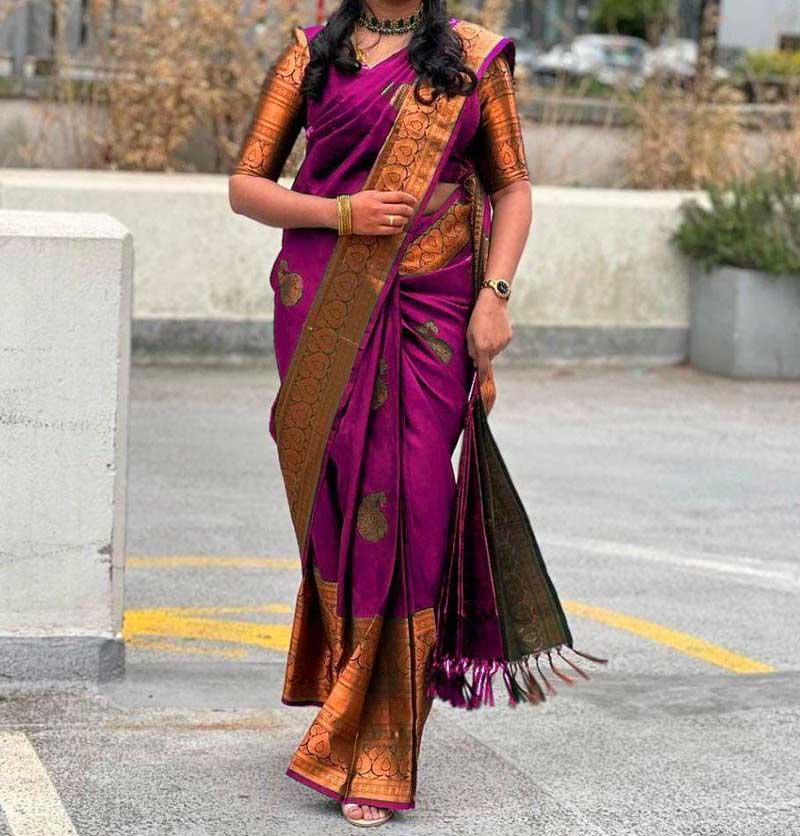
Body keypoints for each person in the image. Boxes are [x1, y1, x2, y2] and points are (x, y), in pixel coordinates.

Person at [229, 0, 604, 827]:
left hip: (434, 309)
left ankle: (384, 743)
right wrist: (341, 213)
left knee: (411, 504)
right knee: (339, 508)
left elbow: (512, 186)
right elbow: (246, 187)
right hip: (324, 304)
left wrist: (495, 295)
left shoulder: (474, 59)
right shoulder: (309, 55)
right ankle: (347, 703)